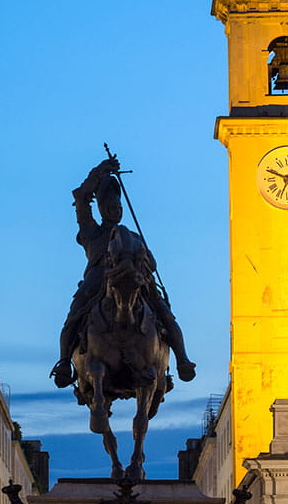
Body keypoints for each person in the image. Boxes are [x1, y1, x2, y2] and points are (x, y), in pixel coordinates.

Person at [51, 157, 196, 388]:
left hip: (135, 279)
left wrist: (144, 263)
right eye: (110, 208)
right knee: (74, 315)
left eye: (118, 208)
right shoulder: (92, 232)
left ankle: (182, 359)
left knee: (164, 312)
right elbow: (81, 198)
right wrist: (98, 173)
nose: (115, 212)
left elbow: (153, 263)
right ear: (102, 210)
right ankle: (65, 362)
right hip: (97, 280)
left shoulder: (133, 237)